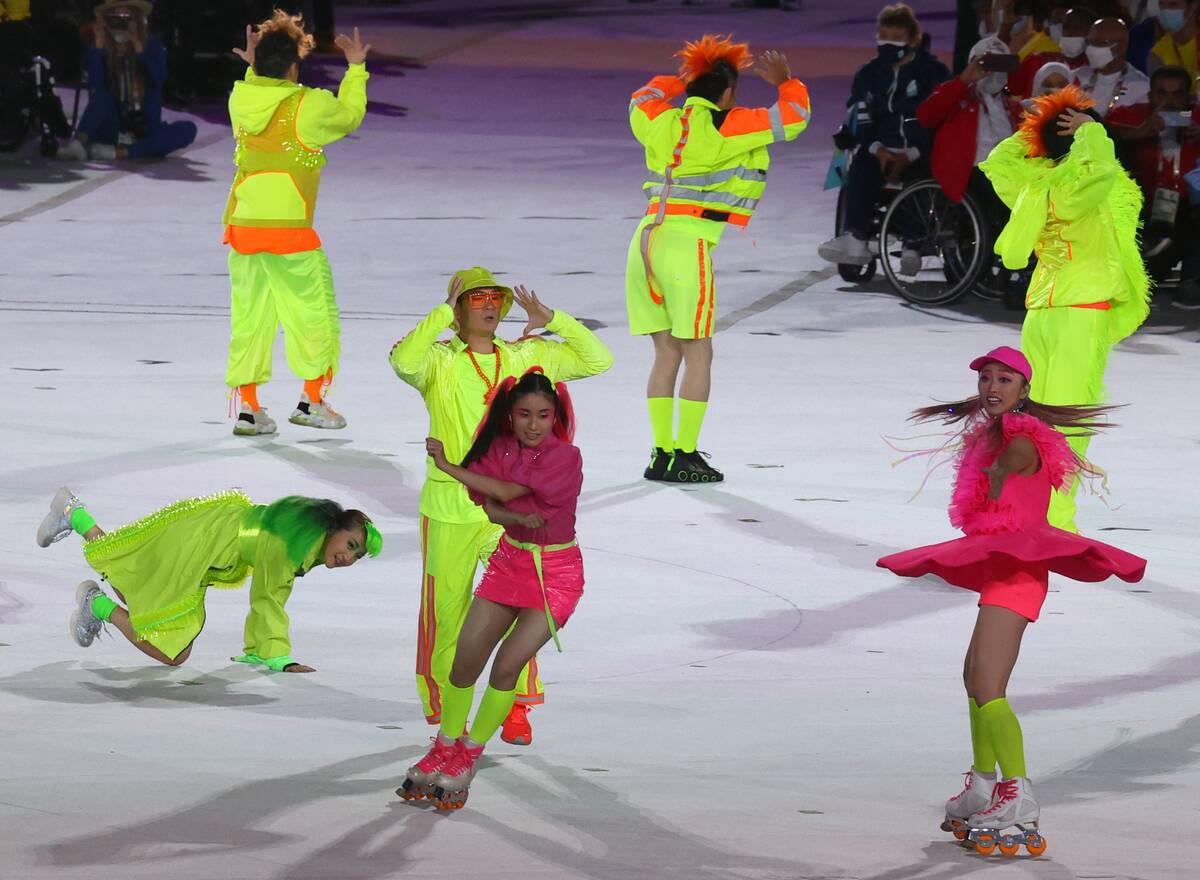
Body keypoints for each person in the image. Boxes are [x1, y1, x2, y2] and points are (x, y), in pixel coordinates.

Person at [877, 346, 1146, 857]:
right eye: (986, 379)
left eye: (1004, 380)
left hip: (1020, 570)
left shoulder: (1023, 434)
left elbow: (1022, 455)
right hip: (1001, 567)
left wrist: (1002, 468)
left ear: (1024, 388)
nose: (992, 387)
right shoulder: (990, 433)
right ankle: (983, 783)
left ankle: (1017, 793)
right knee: (973, 677)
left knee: (988, 683)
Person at [388, 269, 611, 745]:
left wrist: (554, 320)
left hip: (511, 509)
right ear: (459, 308)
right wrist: (441, 314)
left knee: (522, 606)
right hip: (450, 507)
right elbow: (403, 360)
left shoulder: (525, 356)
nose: (489, 305)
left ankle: (515, 705)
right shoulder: (438, 360)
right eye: (477, 298)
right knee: (446, 614)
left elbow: (598, 359)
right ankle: (446, 712)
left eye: (495, 297)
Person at [398, 369, 585, 810]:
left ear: (555, 416)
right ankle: (445, 745)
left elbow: (506, 490)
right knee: (464, 662)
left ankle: (469, 755)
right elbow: (493, 508)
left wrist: (450, 467)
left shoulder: (566, 457)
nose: (533, 424)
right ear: (511, 415)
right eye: (524, 414)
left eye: (543, 415)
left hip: (554, 576)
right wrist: (512, 516)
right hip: (508, 564)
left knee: (506, 668)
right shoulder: (500, 448)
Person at [627, 35, 809, 483]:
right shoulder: (729, 124)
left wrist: (677, 80)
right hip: (688, 244)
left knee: (665, 353)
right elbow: (794, 118)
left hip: (645, 241)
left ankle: (661, 453)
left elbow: (641, 98)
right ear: (727, 93)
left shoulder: (660, 121)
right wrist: (786, 81)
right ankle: (685, 454)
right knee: (699, 352)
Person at [980, 84, 1151, 532]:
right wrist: (1092, 131)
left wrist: (1033, 129)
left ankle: (1020, 511)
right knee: (1068, 421)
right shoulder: (1086, 187)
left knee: (1030, 414)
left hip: (1040, 312)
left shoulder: (1032, 186)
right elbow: (1101, 170)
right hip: (1080, 312)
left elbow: (997, 162)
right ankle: (1055, 520)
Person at [35, 487, 381, 671]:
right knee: (173, 651)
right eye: (350, 545)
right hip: (201, 544)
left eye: (357, 555)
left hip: (208, 532)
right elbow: (268, 598)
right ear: (334, 529)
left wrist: (258, 651)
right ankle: (96, 603)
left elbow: (268, 594)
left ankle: (74, 514)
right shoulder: (290, 546)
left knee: (135, 585)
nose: (348, 557)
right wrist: (277, 656)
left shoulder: (306, 536)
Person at [222, 11, 370, 437]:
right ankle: (312, 400)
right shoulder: (308, 105)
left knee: (250, 319)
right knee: (314, 316)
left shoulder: (240, 100)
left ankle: (248, 409)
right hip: (289, 233)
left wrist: (253, 70)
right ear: (293, 66)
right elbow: (349, 115)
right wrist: (356, 68)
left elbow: (259, 96)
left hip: (244, 229)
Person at [819, 4, 950, 267]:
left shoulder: (932, 72)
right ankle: (856, 237)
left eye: (897, 37)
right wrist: (878, 150)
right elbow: (862, 117)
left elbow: (941, 120)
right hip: (880, 148)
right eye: (884, 35)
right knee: (860, 168)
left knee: (920, 177)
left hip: (920, 150)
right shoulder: (868, 74)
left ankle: (913, 245)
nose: (889, 42)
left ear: (913, 39)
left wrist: (911, 154)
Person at [57, 1, 196, 161]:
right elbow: (96, 88)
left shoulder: (151, 46)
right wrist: (98, 46)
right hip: (111, 125)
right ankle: (78, 144)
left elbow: (158, 82)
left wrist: (139, 48)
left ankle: (122, 152)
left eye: (126, 18)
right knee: (103, 96)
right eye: (115, 18)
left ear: (137, 20)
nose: (120, 23)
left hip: (144, 124)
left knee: (188, 129)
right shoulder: (102, 49)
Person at [1108, 65, 1200, 306]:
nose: (1169, 101)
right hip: (1146, 206)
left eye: (1177, 94)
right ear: (1151, 95)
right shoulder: (1136, 114)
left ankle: (1192, 279)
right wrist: (1139, 132)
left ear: (1188, 97)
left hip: (1191, 209)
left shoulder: (1196, 117)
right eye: (1162, 93)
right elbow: (1104, 130)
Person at [918, 37, 1022, 208]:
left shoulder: (1012, 108)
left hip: (1007, 175)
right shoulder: (956, 95)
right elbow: (925, 116)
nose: (992, 72)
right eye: (986, 64)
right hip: (969, 175)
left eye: (1000, 65)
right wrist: (964, 80)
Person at [1008, 6, 1093, 98]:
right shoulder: (1036, 60)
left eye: (1077, 28)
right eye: (1066, 27)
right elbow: (1013, 89)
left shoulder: (1094, 72)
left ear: (1092, 33)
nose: (1069, 33)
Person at [1075, 16, 1150, 115]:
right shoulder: (1077, 76)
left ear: (1122, 46)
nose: (1092, 48)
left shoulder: (1140, 87)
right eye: (1089, 42)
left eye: (1102, 43)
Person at [1129, 0, 1197, 73]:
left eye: (1174, 4)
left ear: (1191, 8)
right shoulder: (1157, 52)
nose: (1166, 11)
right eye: (1161, 4)